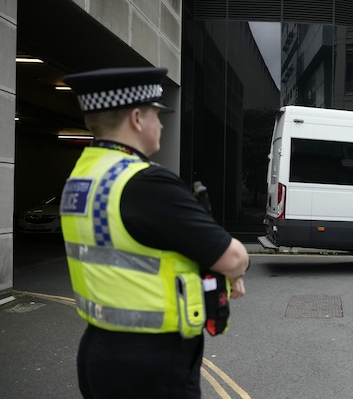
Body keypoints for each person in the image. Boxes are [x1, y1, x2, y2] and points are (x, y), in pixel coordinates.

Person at [60, 67, 249, 399]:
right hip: (151, 364)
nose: (161, 124)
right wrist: (232, 270)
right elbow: (234, 257)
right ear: (136, 118)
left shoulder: (82, 178)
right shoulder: (145, 183)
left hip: (99, 350)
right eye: (156, 115)